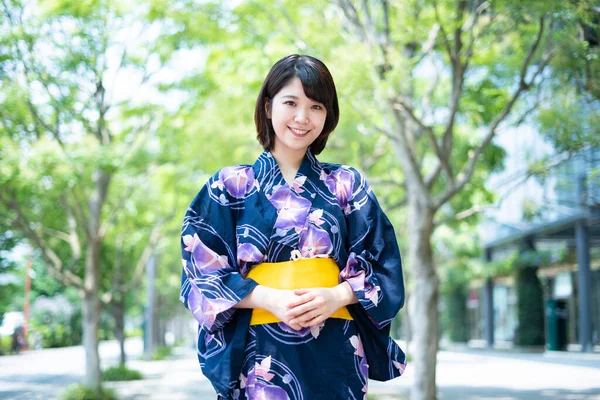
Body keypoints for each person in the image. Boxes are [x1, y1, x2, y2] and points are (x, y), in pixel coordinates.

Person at [180, 54, 406, 400]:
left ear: (328, 115)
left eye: (316, 106)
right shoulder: (229, 186)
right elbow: (200, 272)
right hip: (258, 353)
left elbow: (384, 264)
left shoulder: (346, 184)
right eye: (291, 103)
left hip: (336, 346)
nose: (303, 118)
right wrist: (271, 299)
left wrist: (336, 296)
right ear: (268, 107)